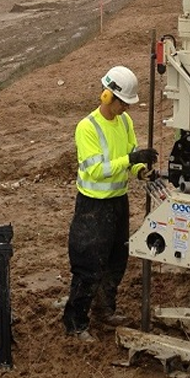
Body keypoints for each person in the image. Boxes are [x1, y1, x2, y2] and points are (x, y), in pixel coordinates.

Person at [62, 65, 158, 342]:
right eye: (123, 103)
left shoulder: (124, 123)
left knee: (117, 260)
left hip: (118, 203)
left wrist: (140, 170)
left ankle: (105, 310)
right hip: (93, 207)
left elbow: (129, 157)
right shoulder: (87, 127)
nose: (126, 109)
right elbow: (95, 170)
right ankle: (76, 322)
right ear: (107, 96)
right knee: (88, 265)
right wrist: (130, 160)